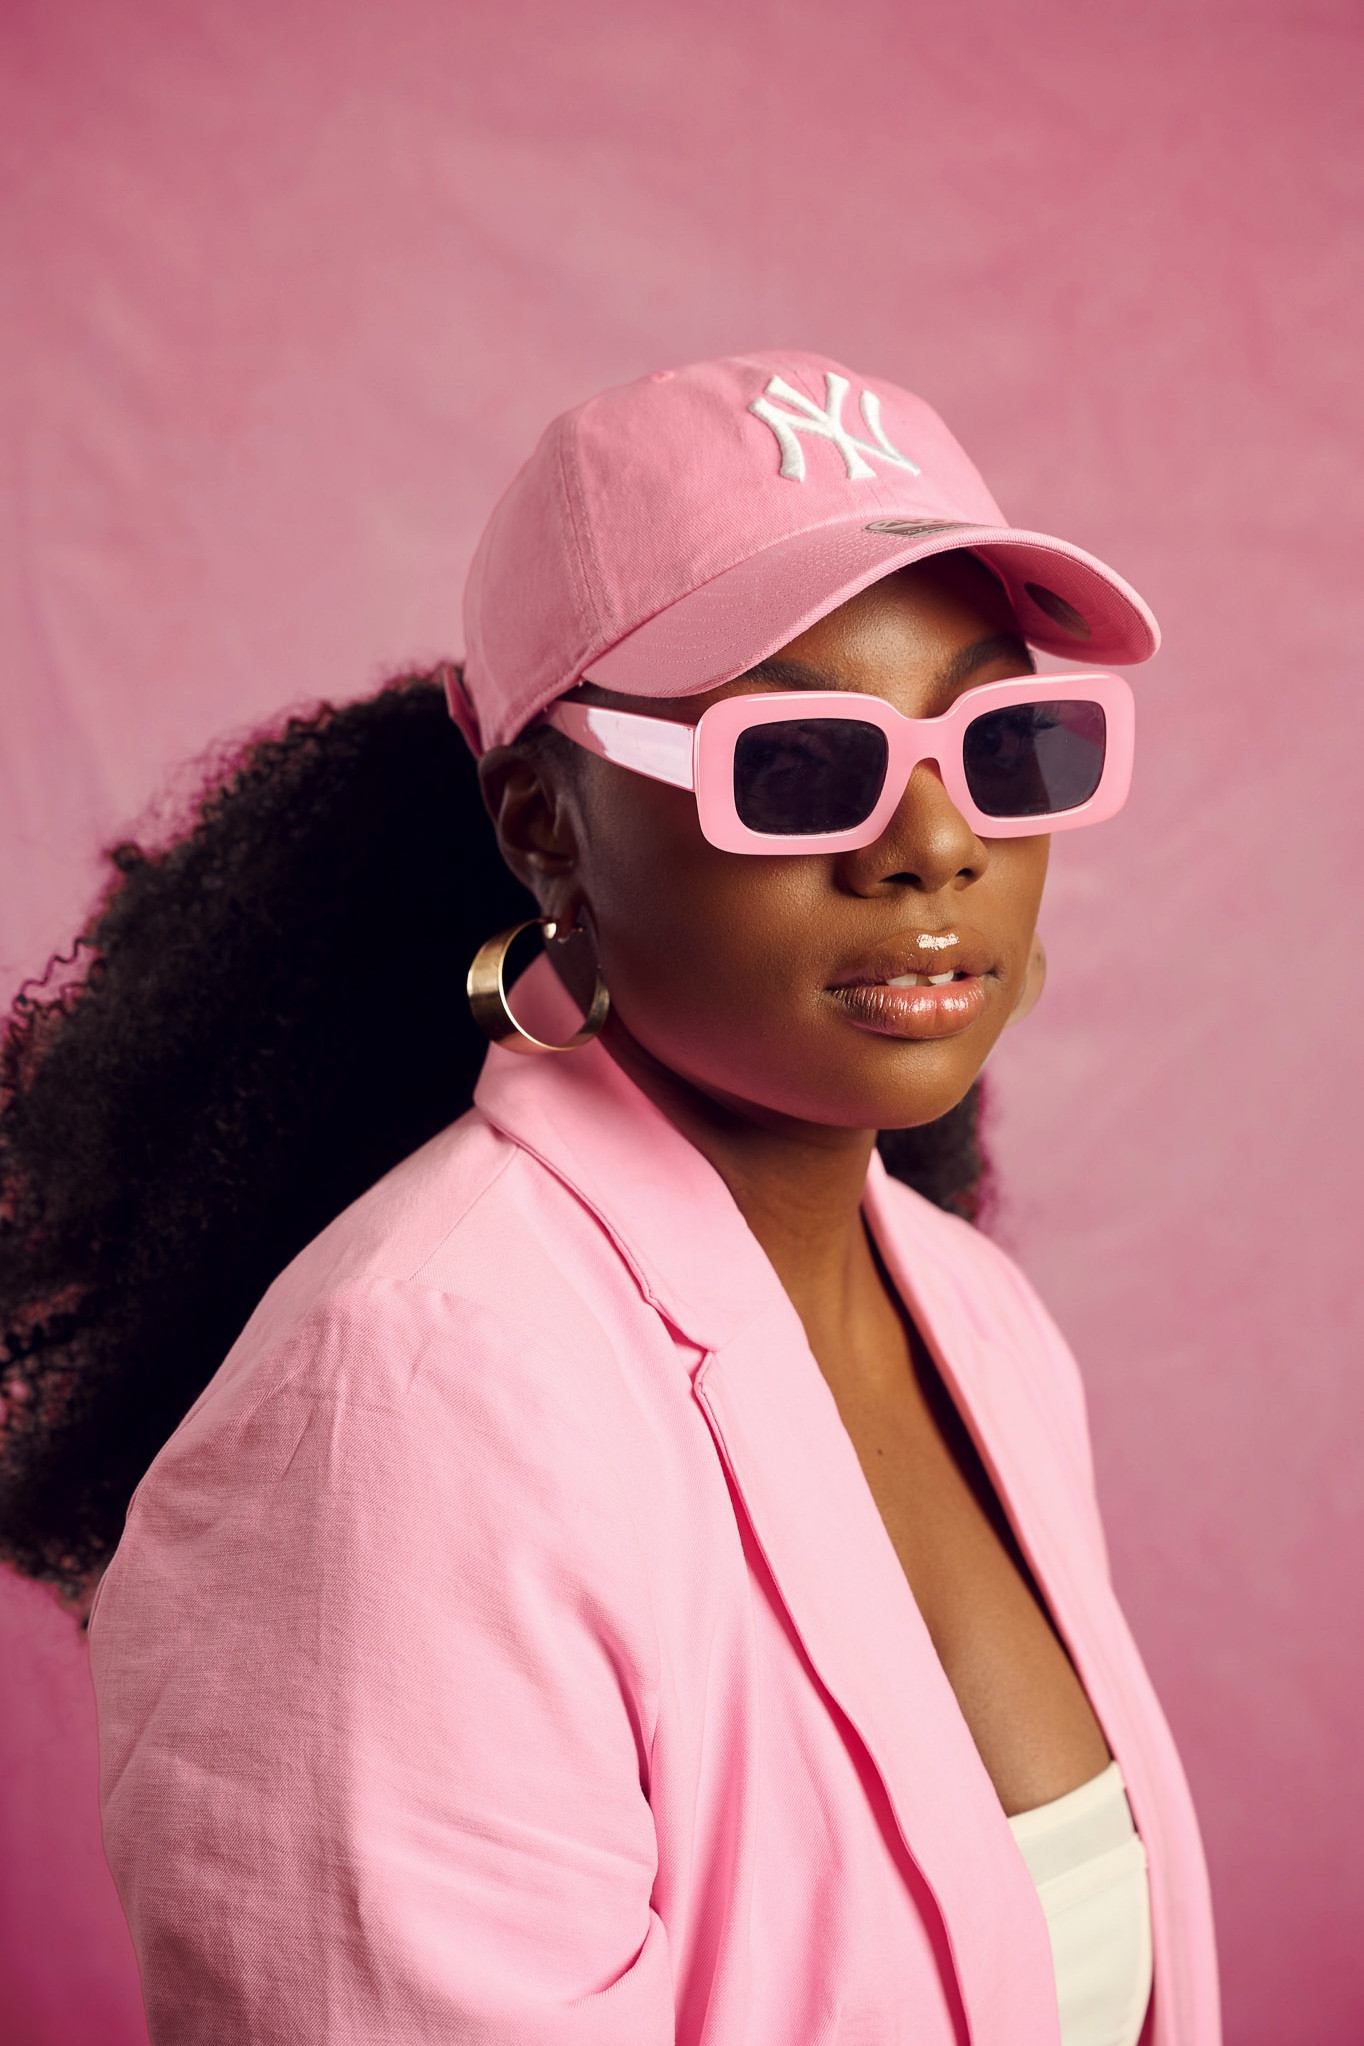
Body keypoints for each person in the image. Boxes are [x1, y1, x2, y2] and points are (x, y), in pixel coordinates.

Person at [0, 352, 1219, 2045]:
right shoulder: (411, 1407)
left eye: (1002, 743)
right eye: (802, 764)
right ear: (544, 825)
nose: (935, 845)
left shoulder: (983, 1322)